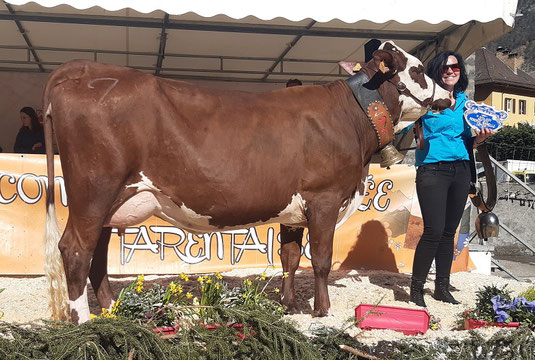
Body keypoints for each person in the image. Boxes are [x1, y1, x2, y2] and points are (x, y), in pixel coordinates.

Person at [409, 51, 492, 307]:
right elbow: (402, 123)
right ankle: (416, 289)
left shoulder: (467, 104)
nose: (450, 71)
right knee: (433, 230)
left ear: (460, 71)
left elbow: (469, 139)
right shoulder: (426, 101)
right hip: (432, 170)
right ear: (437, 72)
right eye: (445, 68)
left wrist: (480, 139)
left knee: (448, 233)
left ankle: (442, 288)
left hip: (461, 170)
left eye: (454, 67)